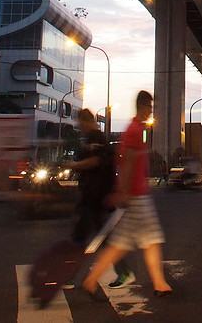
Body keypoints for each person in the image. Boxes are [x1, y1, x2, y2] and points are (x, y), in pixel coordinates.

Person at [80, 91, 173, 300]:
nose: (151, 110)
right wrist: (122, 191)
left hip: (135, 194)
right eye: (149, 107)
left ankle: (91, 280)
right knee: (151, 240)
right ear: (142, 107)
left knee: (122, 244)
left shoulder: (137, 129)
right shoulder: (134, 131)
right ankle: (160, 284)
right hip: (136, 195)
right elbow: (128, 162)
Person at [68, 109, 133, 290]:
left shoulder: (96, 139)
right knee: (94, 238)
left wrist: (74, 165)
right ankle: (123, 272)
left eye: (80, 123)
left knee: (83, 237)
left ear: (87, 122)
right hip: (93, 195)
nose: (79, 127)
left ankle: (70, 276)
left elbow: (95, 162)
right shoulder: (92, 139)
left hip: (96, 196)